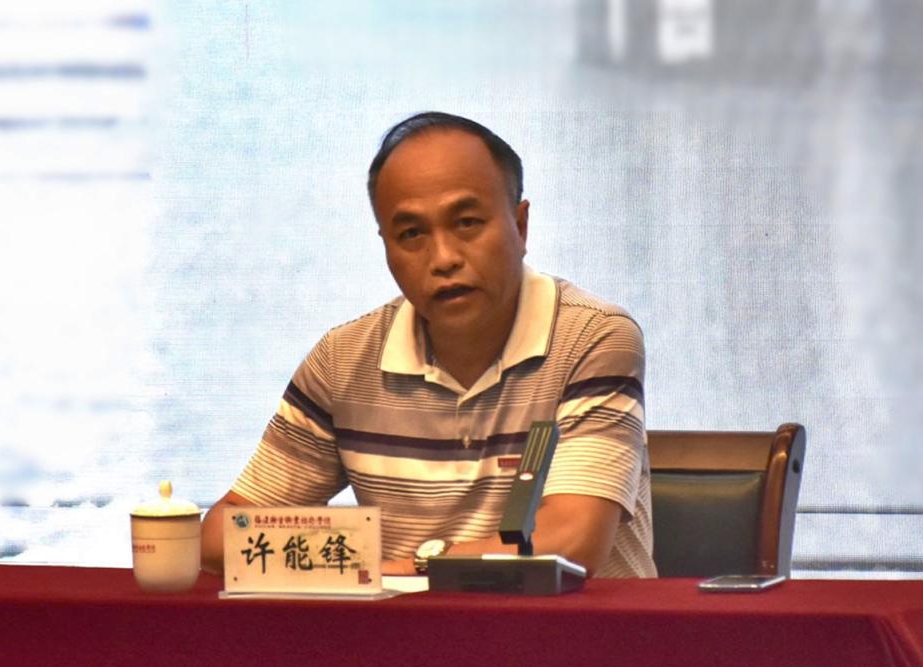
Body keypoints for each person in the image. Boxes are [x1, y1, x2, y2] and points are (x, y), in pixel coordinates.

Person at [201, 112, 656, 578]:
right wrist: (354, 562)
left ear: (520, 226)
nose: (443, 259)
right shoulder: (343, 362)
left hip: (576, 625)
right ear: (386, 246)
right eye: (412, 234)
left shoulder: (593, 338)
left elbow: (571, 541)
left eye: (467, 222)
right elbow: (221, 535)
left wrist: (405, 566)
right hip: (407, 624)